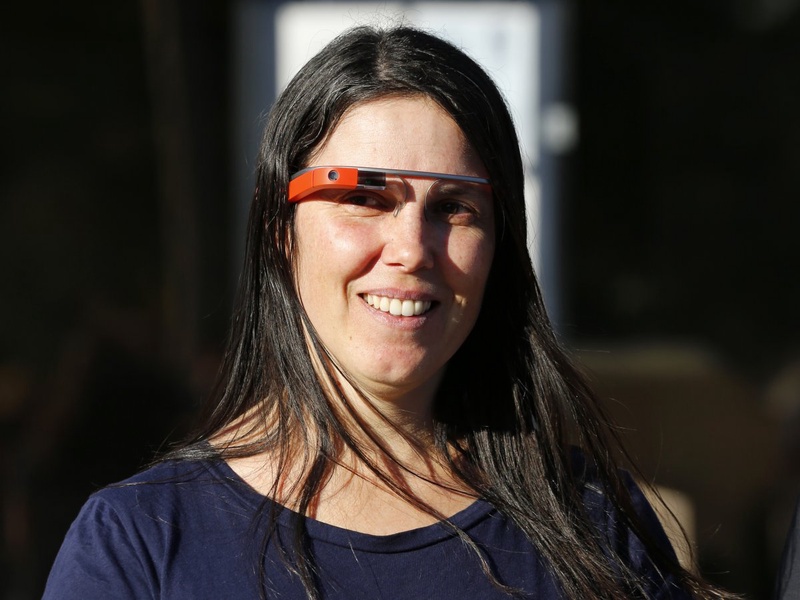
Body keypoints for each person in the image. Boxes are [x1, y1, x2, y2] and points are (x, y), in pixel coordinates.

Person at [43, 25, 730, 599]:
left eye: (455, 208)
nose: (411, 249)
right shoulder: (140, 543)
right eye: (364, 198)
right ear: (280, 229)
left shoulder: (594, 526)